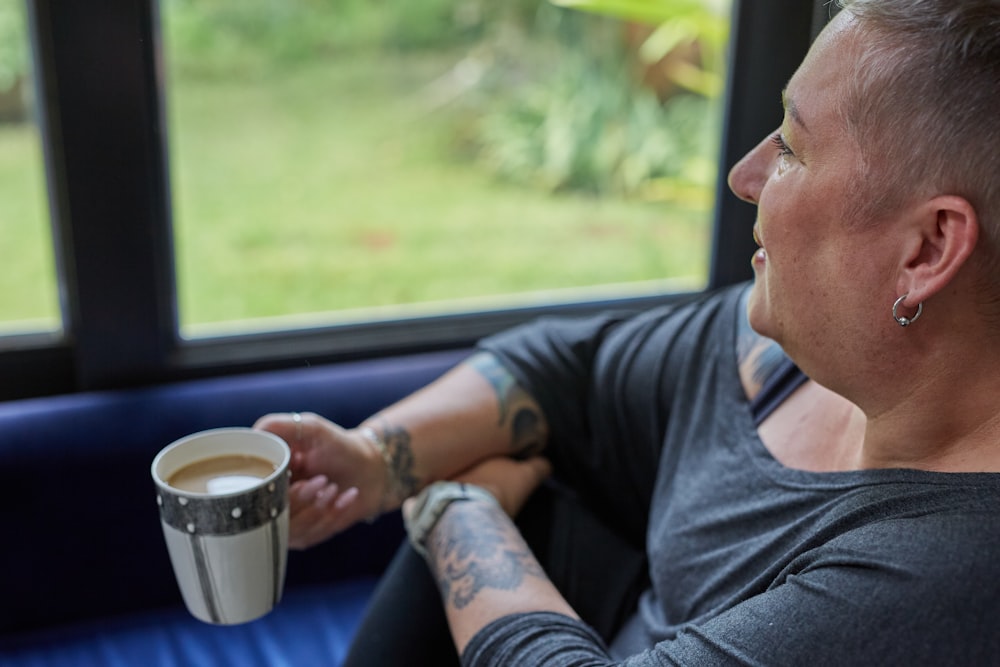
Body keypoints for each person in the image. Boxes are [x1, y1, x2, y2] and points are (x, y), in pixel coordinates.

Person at [255, 0, 1000, 663]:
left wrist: (456, 514)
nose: (746, 174)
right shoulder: (794, 356)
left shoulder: (950, 574)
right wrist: (372, 460)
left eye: (792, 149)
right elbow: (566, 371)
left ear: (928, 249)